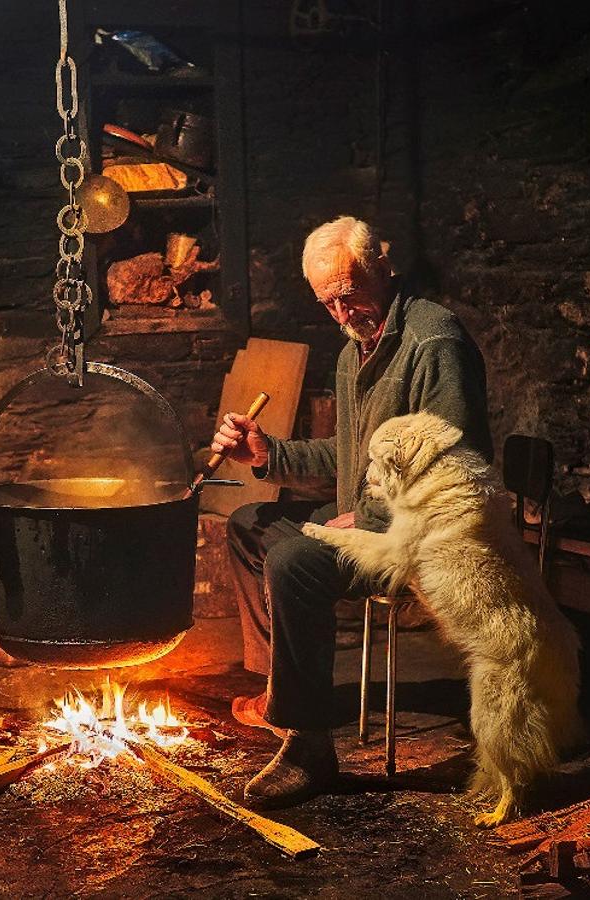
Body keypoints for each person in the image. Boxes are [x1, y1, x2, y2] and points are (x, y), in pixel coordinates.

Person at [211, 216, 492, 809]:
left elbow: (450, 463)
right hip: (368, 522)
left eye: (351, 294)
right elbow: (351, 455)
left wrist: (366, 520)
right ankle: (283, 696)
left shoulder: (433, 340)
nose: (342, 313)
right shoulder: (352, 351)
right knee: (248, 526)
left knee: (294, 562)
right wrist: (270, 454)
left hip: (421, 534)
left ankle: (309, 747)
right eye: (328, 302)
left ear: (384, 270)